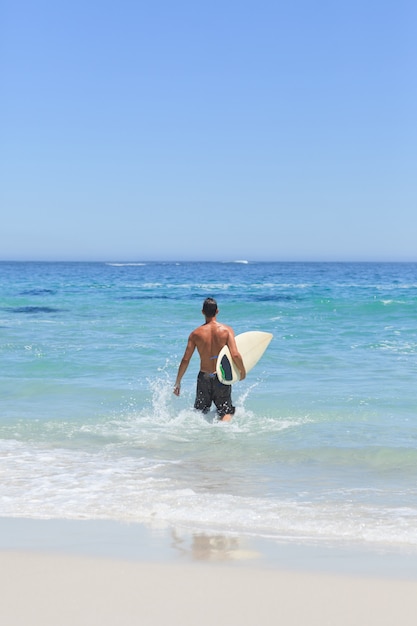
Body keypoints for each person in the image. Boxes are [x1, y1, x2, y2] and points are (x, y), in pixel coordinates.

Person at [173, 297, 246, 421]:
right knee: (226, 411)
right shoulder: (227, 331)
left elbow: (185, 359)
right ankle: (223, 433)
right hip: (221, 376)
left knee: (200, 414)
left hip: (204, 377)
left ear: (202, 312)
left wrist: (178, 382)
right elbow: (235, 355)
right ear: (217, 311)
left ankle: (202, 437)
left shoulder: (195, 334)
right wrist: (242, 371)